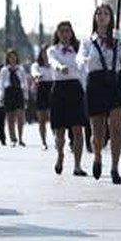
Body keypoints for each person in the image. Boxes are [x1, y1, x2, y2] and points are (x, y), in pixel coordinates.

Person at [77, 5, 121, 184]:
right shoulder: (87, 41)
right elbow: (80, 60)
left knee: (116, 128)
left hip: (115, 81)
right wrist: (89, 58)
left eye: (106, 13)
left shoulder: (117, 37)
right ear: (94, 17)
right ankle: (97, 156)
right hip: (96, 81)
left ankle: (115, 167)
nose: (102, 16)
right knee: (98, 131)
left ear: (111, 18)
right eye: (98, 13)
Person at [47, 21, 87, 177]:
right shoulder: (52, 50)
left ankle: (77, 165)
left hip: (75, 89)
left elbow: (83, 66)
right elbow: (52, 62)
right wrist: (59, 67)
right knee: (60, 130)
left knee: (78, 129)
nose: (64, 34)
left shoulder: (78, 49)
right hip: (59, 88)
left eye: (67, 31)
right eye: (62, 31)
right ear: (57, 33)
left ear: (71, 33)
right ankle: (60, 155)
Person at [0, 49, 28, 147]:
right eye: (10, 57)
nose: (12, 58)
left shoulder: (21, 69)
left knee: (20, 117)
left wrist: (26, 95)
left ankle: (21, 138)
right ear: (8, 58)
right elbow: (1, 84)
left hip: (18, 92)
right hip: (9, 92)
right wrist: (1, 96)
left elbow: (25, 82)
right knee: (10, 118)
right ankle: (12, 138)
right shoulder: (4, 70)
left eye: (14, 56)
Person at [30, 44, 53, 150]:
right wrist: (37, 76)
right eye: (44, 52)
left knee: (53, 116)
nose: (46, 54)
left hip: (52, 88)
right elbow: (34, 73)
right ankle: (43, 142)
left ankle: (57, 137)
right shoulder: (36, 65)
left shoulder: (54, 64)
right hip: (41, 89)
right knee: (42, 119)